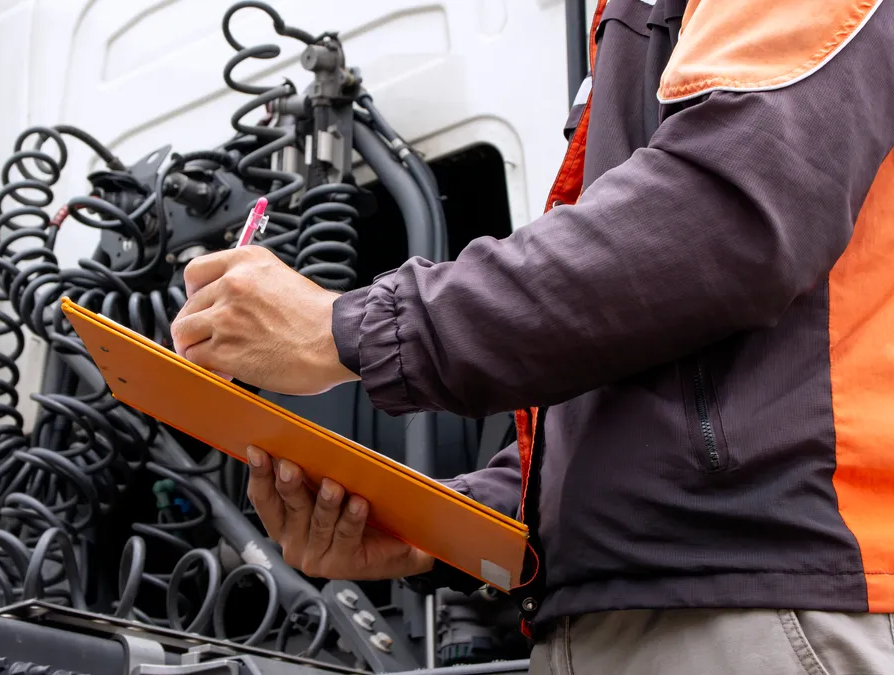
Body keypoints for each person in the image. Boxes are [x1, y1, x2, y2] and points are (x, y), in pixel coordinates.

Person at [170, 0, 894, 672]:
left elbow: (723, 219)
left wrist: (345, 329)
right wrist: (441, 526)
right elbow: (639, 359)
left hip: (754, 600)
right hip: (620, 612)